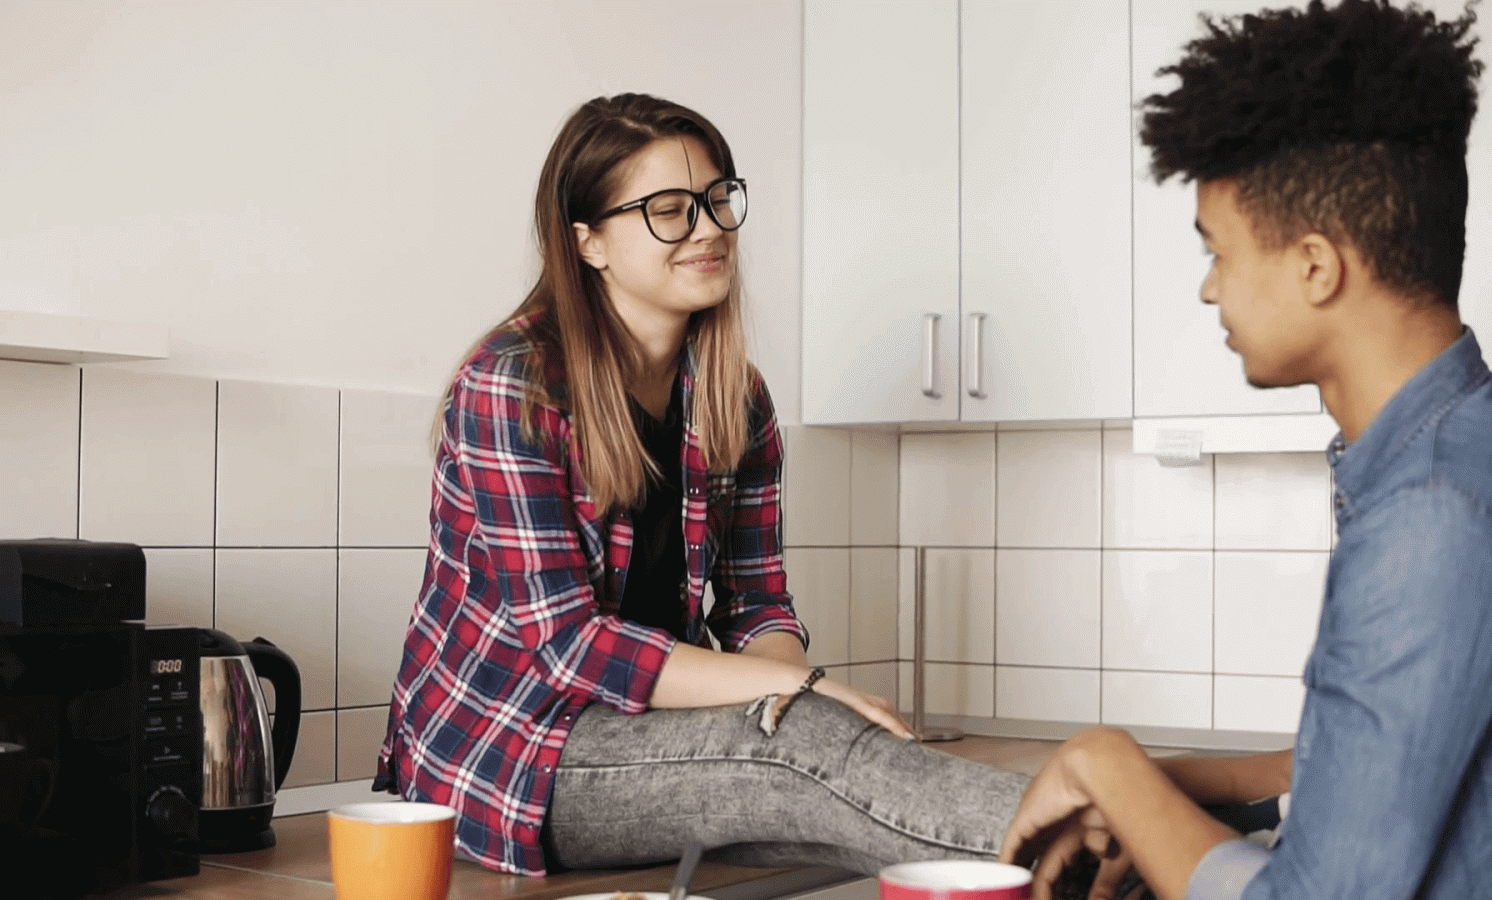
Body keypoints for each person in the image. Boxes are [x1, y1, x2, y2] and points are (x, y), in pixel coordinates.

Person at [1000, 2, 1492, 899]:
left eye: (1219, 252)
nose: (1209, 290)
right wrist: (1178, 787)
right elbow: (1377, 760)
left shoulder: (1436, 513)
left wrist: (1107, 765)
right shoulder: (1485, 450)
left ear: (1316, 266)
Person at [374, 93, 1028, 878]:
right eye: (668, 210)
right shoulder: (512, 383)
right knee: (812, 748)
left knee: (846, 785)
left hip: (651, 728)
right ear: (590, 244)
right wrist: (799, 689)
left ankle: (1116, 835)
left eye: (718, 200)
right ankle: (1132, 839)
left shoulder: (735, 397)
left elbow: (757, 604)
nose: (710, 228)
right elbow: (570, 647)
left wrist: (793, 693)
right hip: (514, 751)